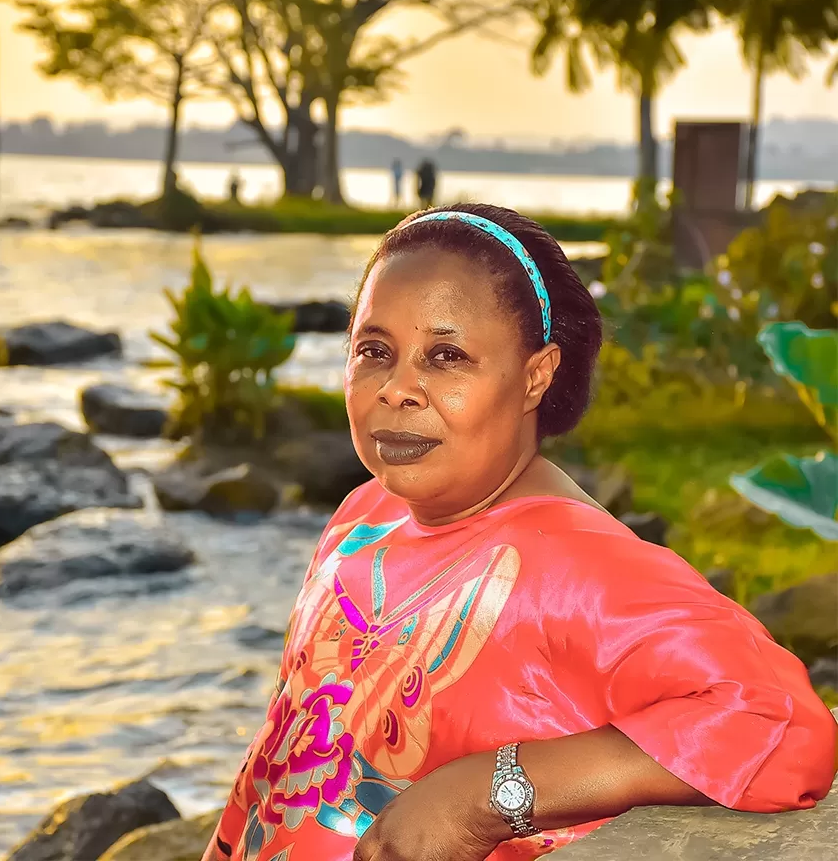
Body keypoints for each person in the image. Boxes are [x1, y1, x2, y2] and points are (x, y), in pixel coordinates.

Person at [201, 203, 837, 861]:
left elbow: (782, 727)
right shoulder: (362, 517)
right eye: (374, 351)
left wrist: (488, 793)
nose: (397, 389)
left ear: (537, 374)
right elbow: (276, 755)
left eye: (446, 357)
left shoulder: (578, 568)